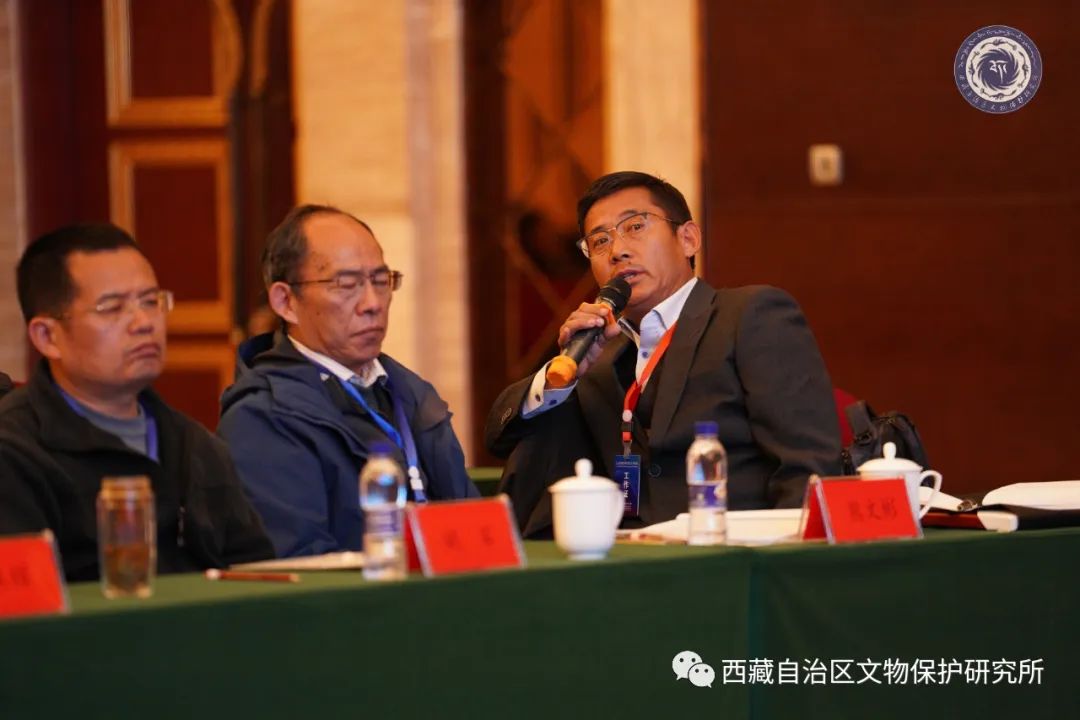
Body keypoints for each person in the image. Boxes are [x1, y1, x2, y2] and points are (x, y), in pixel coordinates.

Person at [486, 171, 841, 536]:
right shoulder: (597, 357)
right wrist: (559, 378)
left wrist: (787, 557)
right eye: (600, 241)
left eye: (635, 227)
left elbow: (808, 469)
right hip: (628, 554)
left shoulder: (750, 316)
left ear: (688, 239)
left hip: (729, 551)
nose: (617, 250)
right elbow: (501, 439)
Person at [0, 224, 274, 581]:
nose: (144, 322)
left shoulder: (195, 445)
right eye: (112, 308)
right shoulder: (14, 452)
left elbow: (259, 578)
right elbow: (26, 605)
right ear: (47, 336)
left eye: (150, 301)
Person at [218, 205, 477, 557]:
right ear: (286, 301)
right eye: (347, 284)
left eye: (381, 281)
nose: (372, 303)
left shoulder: (410, 393)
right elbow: (298, 563)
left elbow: (472, 525)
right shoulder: (262, 417)